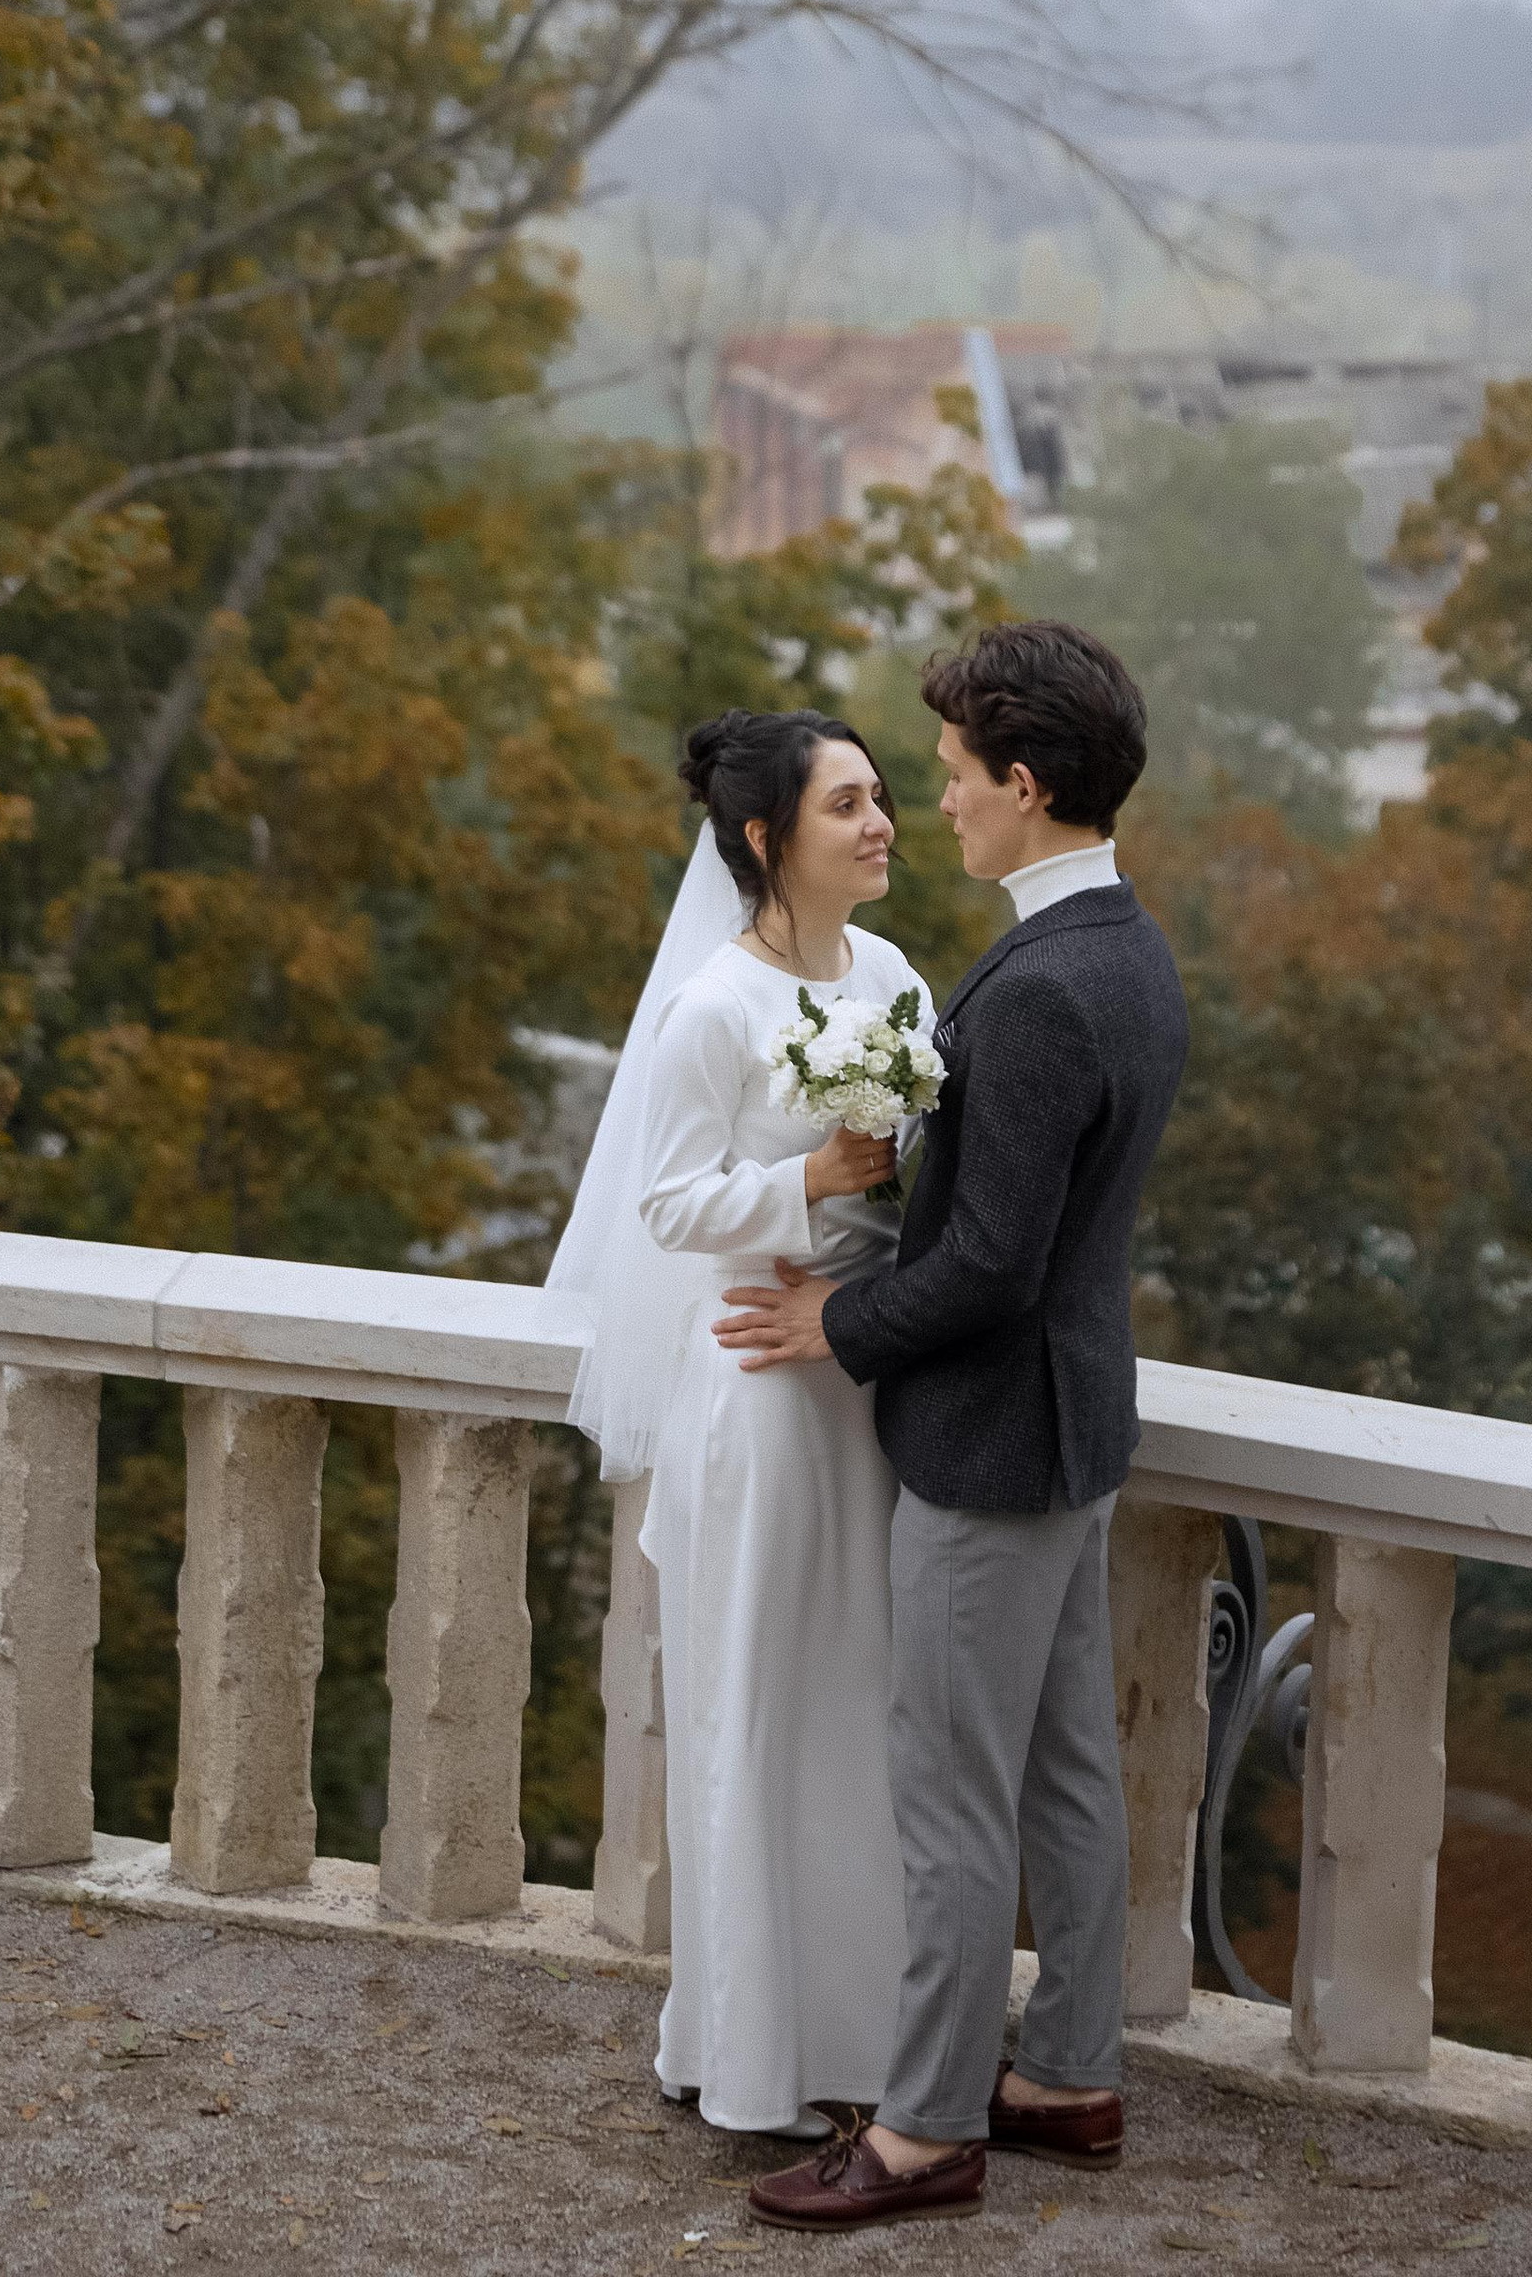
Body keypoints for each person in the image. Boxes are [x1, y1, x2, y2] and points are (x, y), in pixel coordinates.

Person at [723, 616, 1188, 2235]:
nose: (941, 805)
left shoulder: (1048, 990)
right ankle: (1067, 2074)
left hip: (994, 1450)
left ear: (1028, 779)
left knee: (948, 1787)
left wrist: (836, 1321)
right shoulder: (1125, 947)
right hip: (1074, 1436)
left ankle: (924, 2131)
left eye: (954, 776)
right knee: (1066, 1771)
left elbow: (989, 1264)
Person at [544, 705, 935, 2138]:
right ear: (769, 839)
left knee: (861, 1720)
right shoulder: (711, 1005)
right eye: (849, 806)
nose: (884, 822)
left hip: (867, 1389)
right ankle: (753, 2053)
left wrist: (885, 1217)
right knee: (761, 1718)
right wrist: (813, 1185)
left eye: (884, 796)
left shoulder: (895, 977)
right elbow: (663, 1203)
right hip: (761, 1386)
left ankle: (875, 2048)